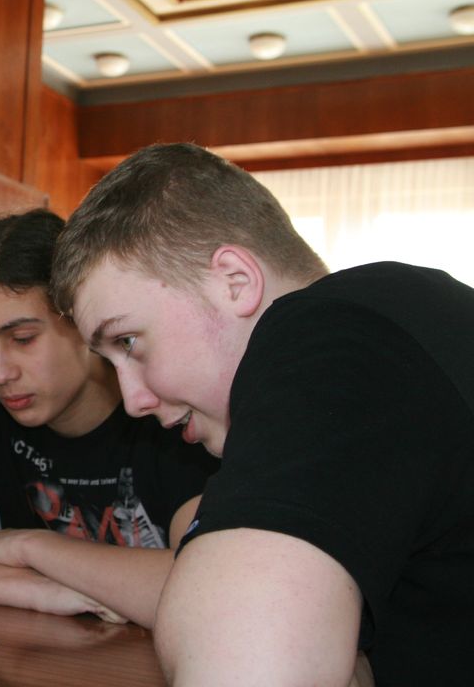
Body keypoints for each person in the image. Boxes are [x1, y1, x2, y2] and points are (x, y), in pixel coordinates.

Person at [52, 142, 474, 686]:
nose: (133, 400)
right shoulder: (404, 326)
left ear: (235, 281)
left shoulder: (332, 332)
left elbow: (244, 663)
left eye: (129, 341)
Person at [0, 209, 217, 624]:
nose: (0, 372)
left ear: (83, 321)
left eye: (23, 339)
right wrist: (25, 588)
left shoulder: (168, 417)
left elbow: (209, 585)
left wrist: (32, 548)